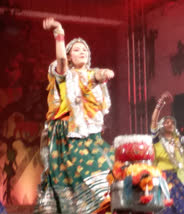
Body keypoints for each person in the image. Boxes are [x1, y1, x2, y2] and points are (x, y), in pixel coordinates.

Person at [34, 18, 115, 214]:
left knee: (107, 170)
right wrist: (58, 31)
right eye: (77, 49)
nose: (82, 52)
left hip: (87, 136)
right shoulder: (64, 74)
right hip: (64, 134)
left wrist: (105, 73)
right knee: (69, 184)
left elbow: (98, 75)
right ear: (69, 56)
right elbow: (61, 61)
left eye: (85, 50)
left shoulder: (91, 75)